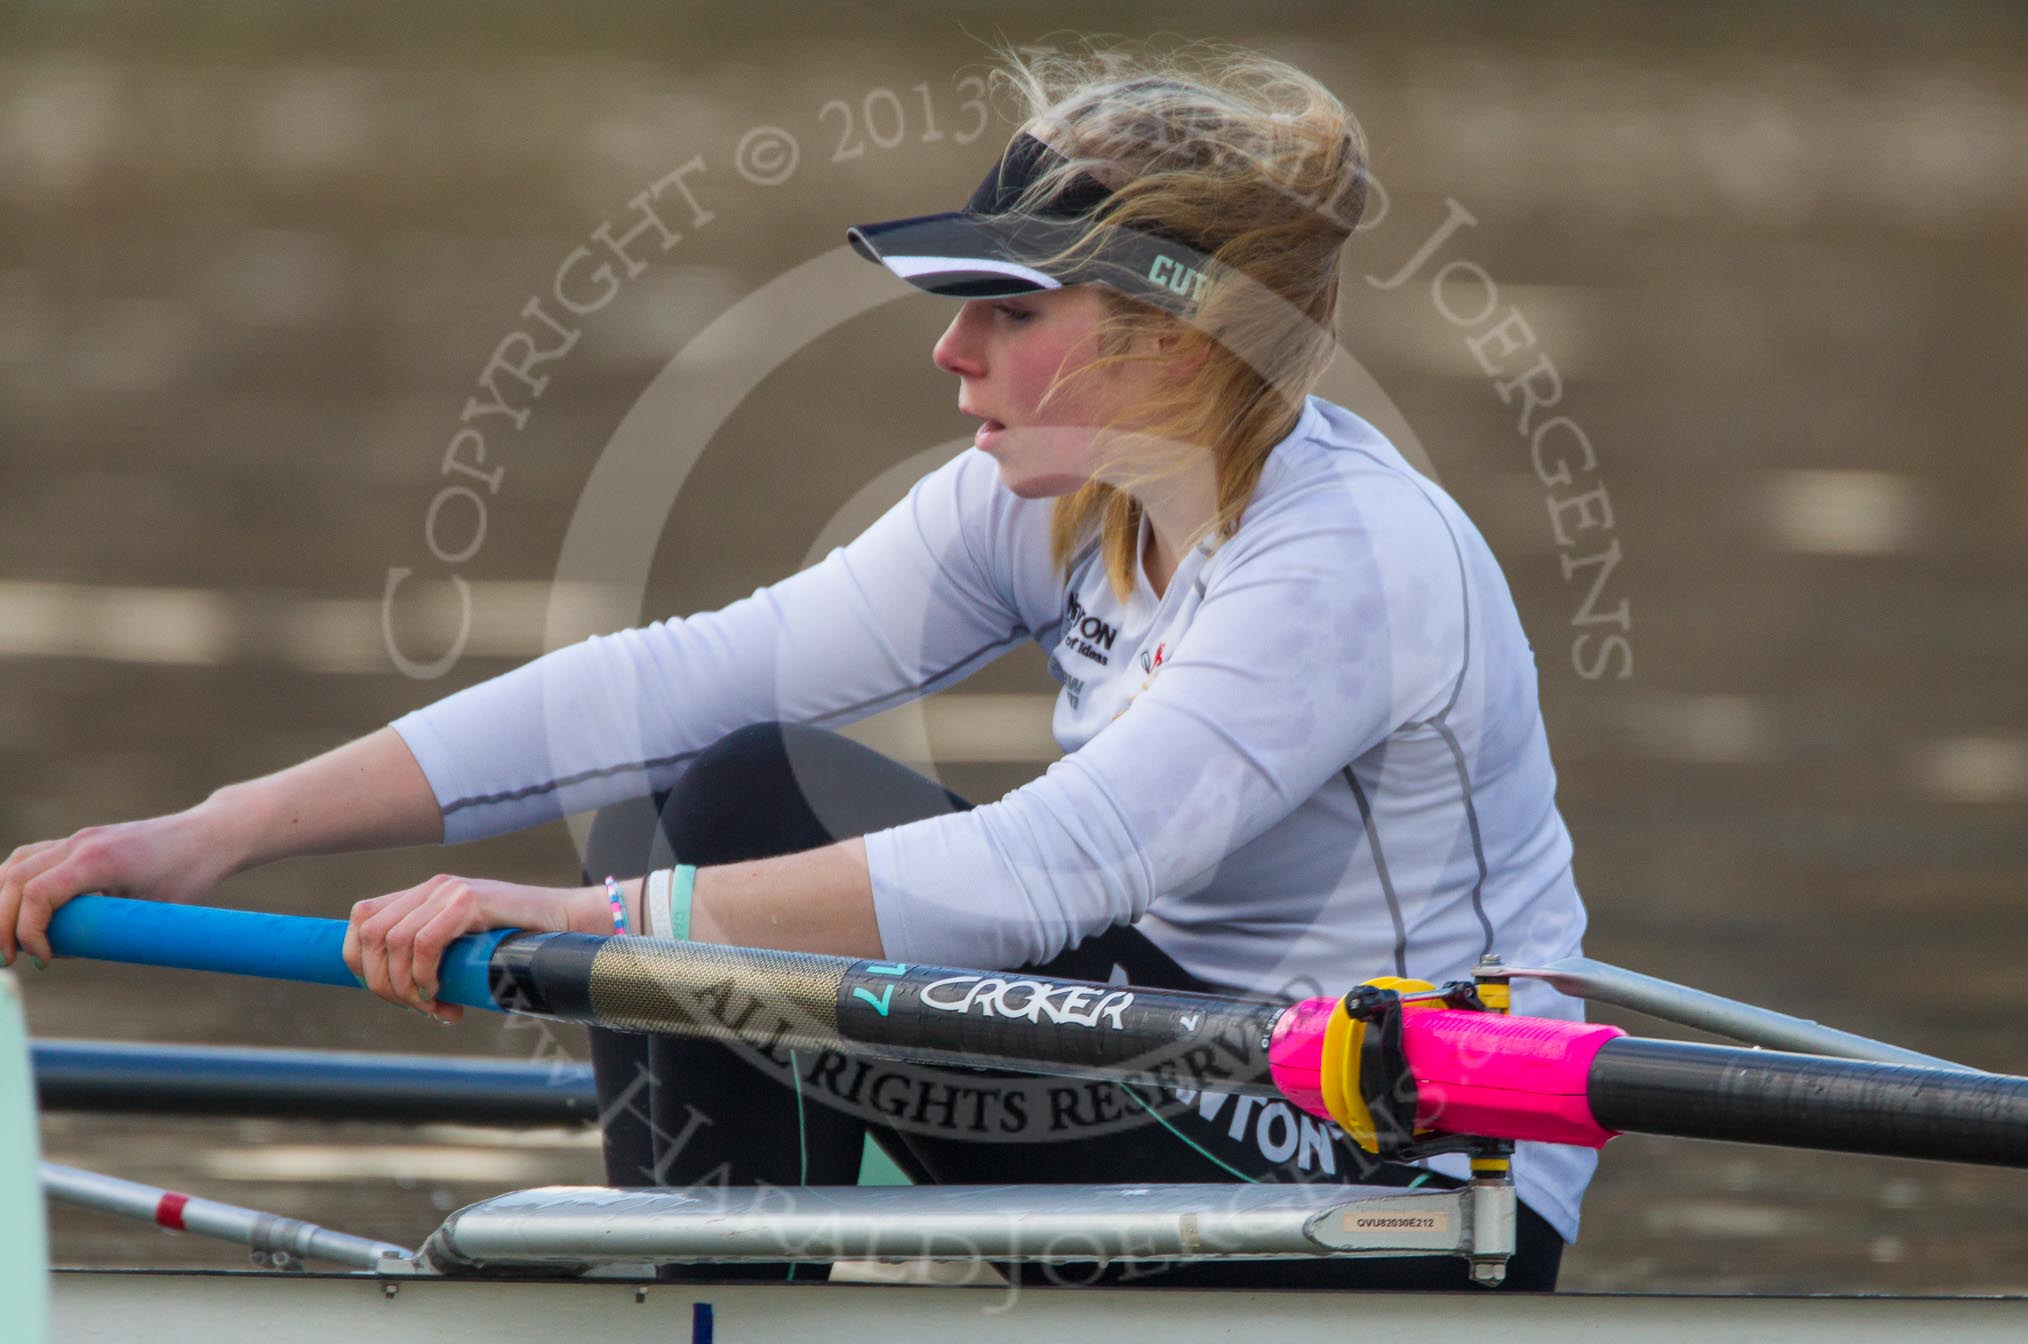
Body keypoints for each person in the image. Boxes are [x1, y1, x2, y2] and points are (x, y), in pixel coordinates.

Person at [0, 46, 1593, 1290]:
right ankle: (712, 1280)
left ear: (1167, 338)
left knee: (720, 842)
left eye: (1001, 304)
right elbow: (681, 675)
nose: (947, 352)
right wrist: (202, 833)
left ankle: (707, 1288)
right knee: (729, 788)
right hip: (1185, 1047)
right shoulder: (1052, 496)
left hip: (1401, 1164)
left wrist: (592, 927)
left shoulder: (1353, 562)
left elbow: (1056, 865)